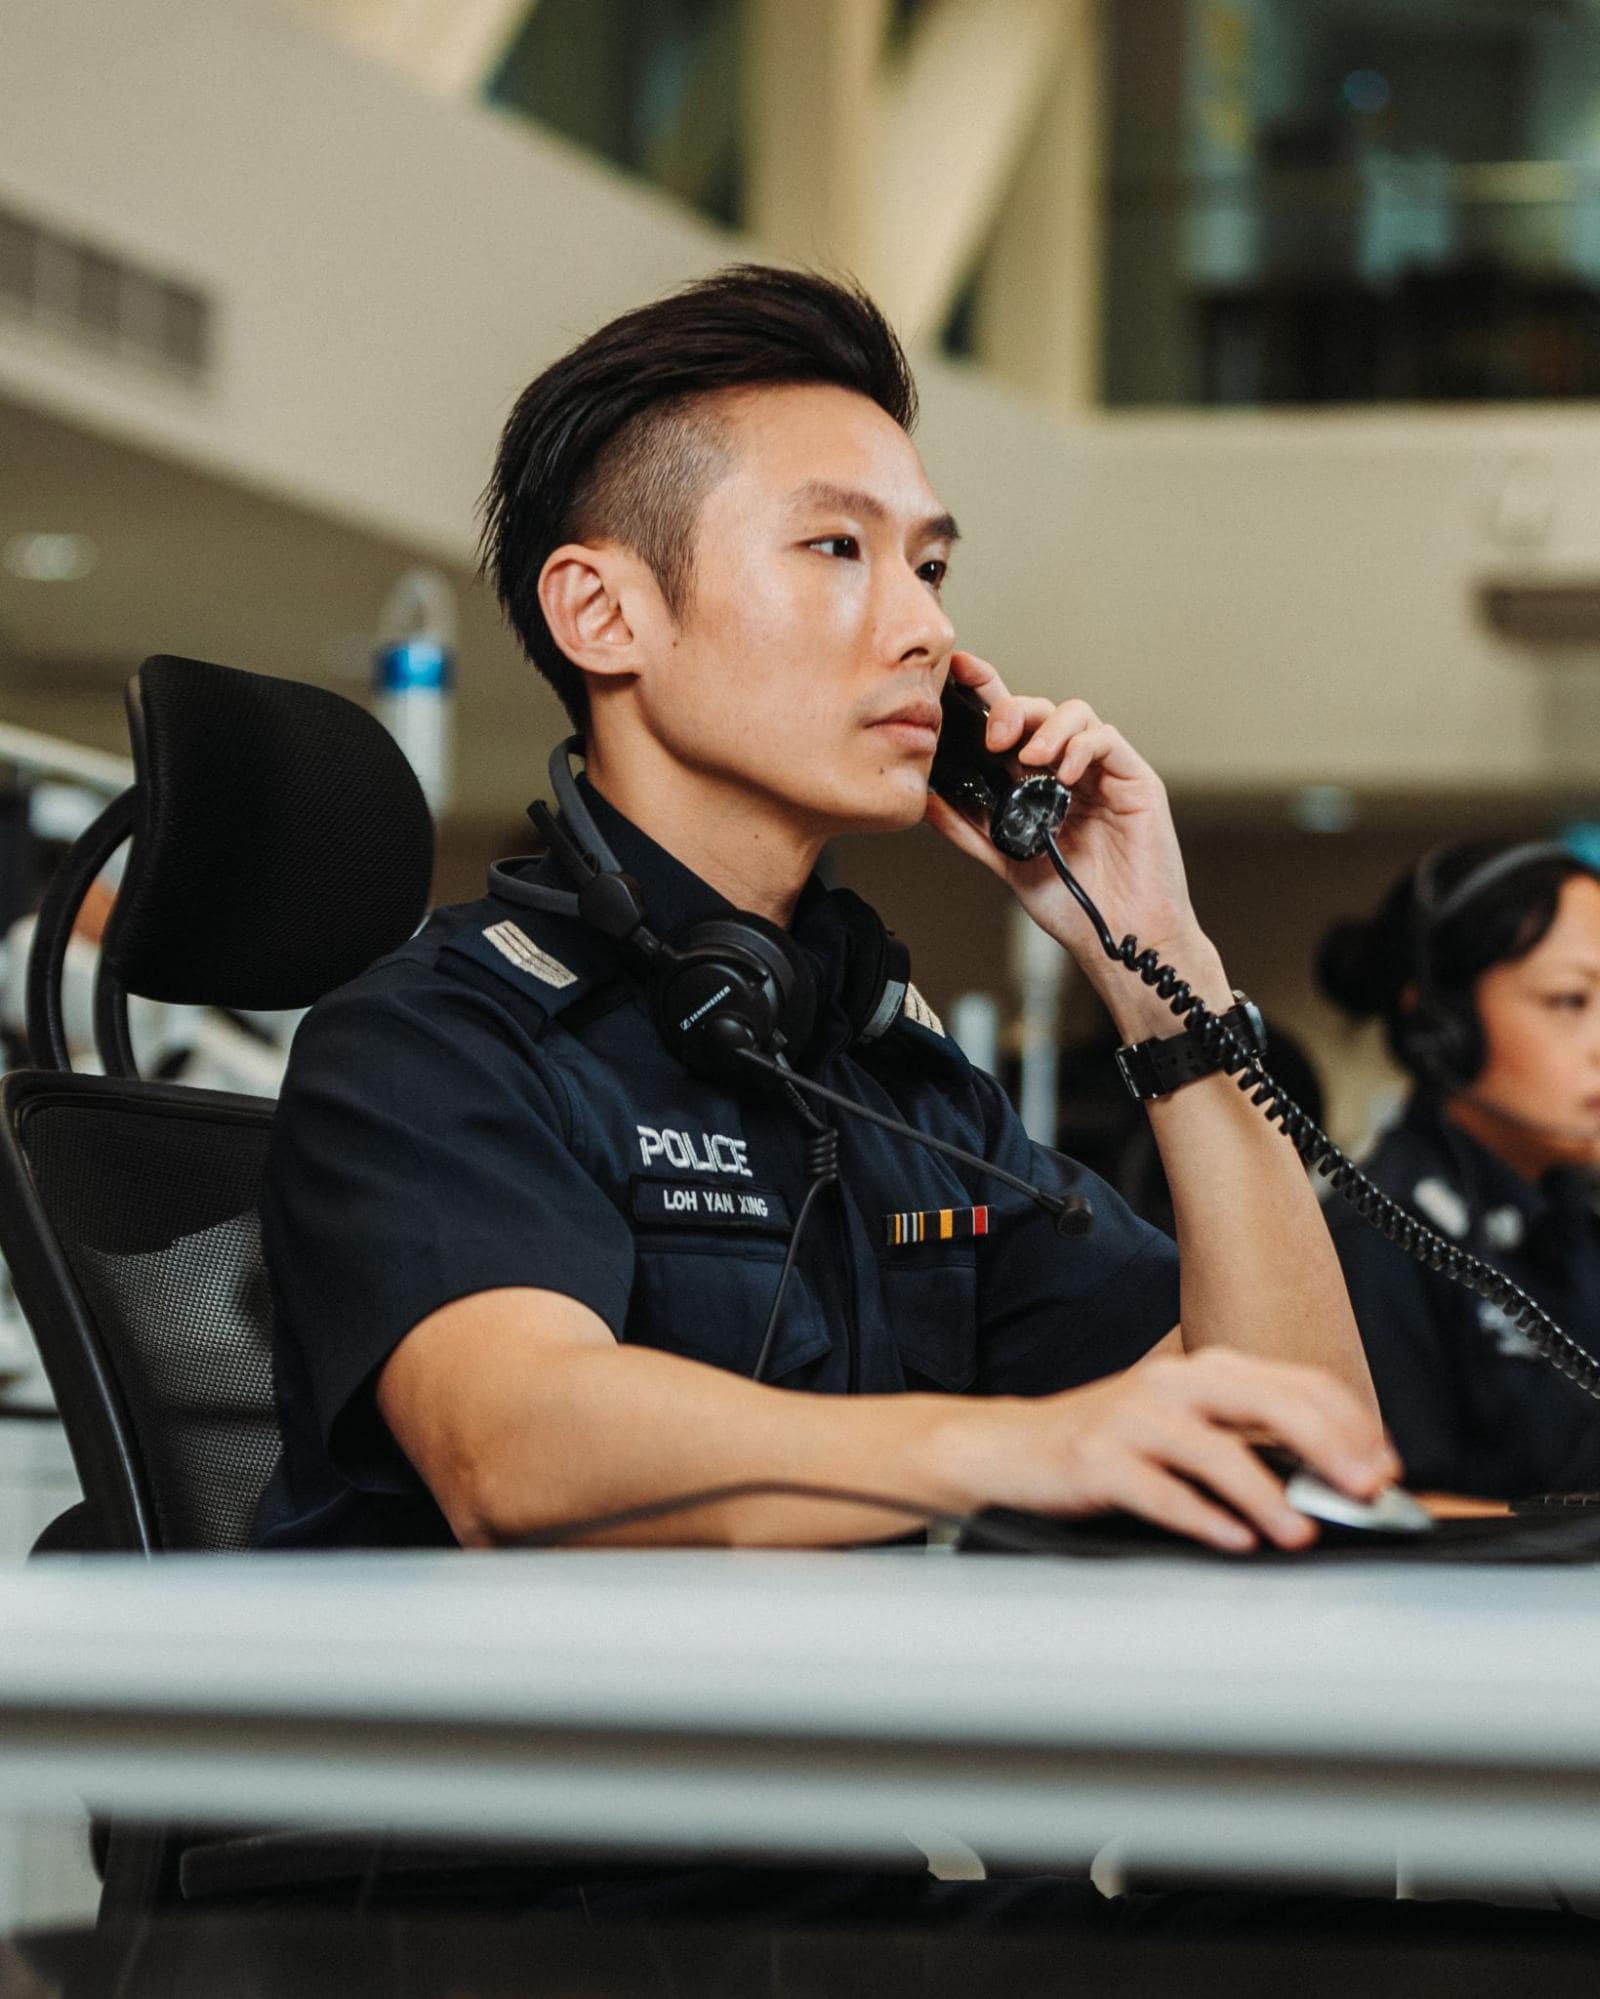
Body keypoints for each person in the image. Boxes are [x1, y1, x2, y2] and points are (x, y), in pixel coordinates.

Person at [255, 264, 1389, 1573]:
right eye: (838, 547)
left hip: (853, 1759)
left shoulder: (892, 1079)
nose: (928, 625)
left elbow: (1301, 1452)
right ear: (603, 610)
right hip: (541, 1772)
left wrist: (1161, 973)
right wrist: (1008, 1444)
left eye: (933, 562)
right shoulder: (429, 1043)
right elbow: (512, 1447)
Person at [1318, 839, 1600, 1499]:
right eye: (1570, 1000)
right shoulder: (1378, 1235)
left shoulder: (1573, 1217)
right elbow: (1392, 1509)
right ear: (1447, 1023)